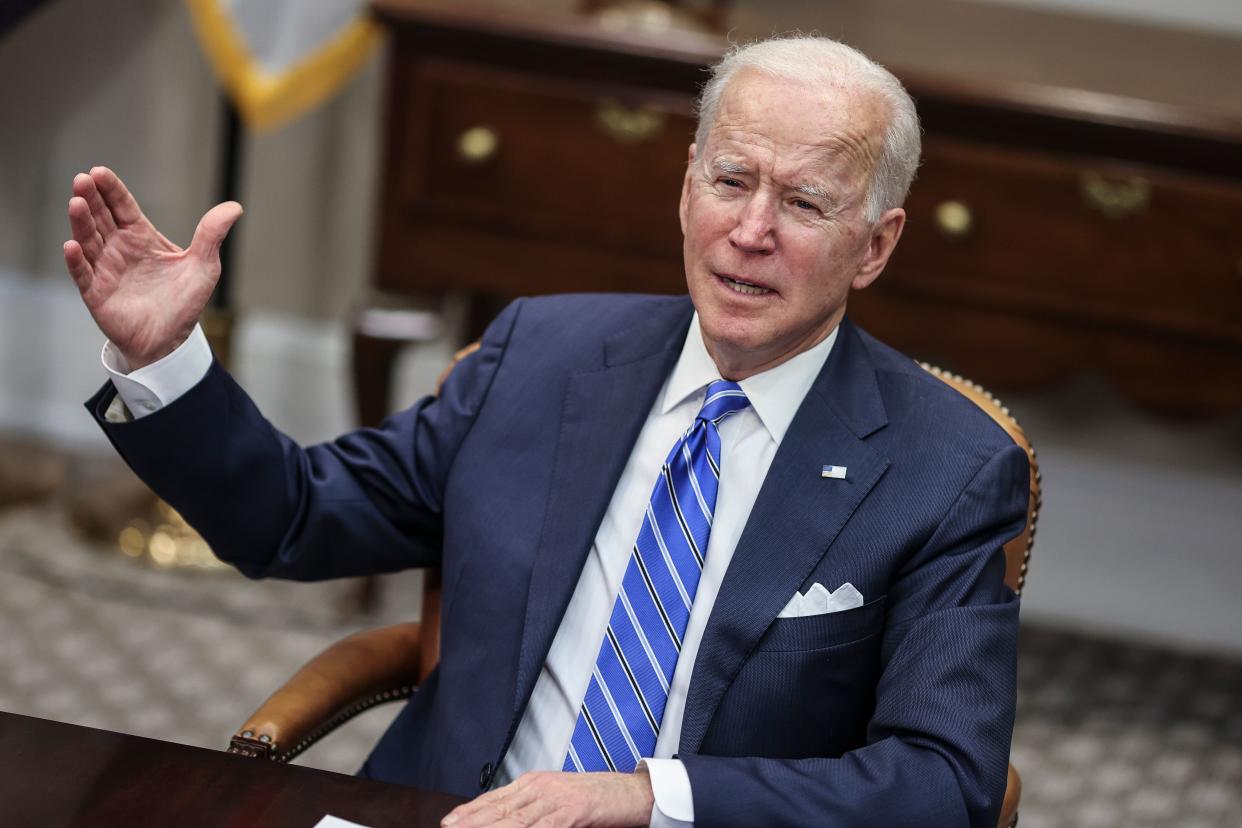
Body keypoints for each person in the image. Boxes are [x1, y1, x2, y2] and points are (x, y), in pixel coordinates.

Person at [66, 36, 1028, 828]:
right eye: (732, 180)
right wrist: (167, 359)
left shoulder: (945, 469)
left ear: (878, 244)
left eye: (806, 203)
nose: (752, 229)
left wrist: (650, 797)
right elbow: (295, 518)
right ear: (687, 185)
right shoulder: (544, 354)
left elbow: (943, 781)